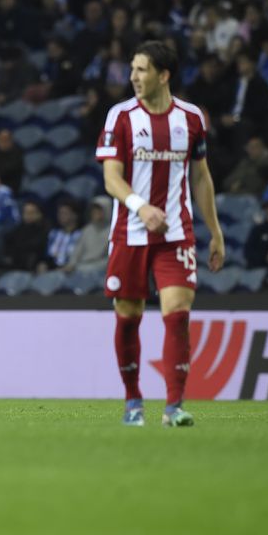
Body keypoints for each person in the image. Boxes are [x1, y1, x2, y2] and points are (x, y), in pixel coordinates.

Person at [96, 41, 224, 428]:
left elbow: (200, 176)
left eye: (141, 70)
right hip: (129, 232)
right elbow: (110, 178)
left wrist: (215, 232)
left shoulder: (191, 118)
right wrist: (141, 206)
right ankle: (133, 400)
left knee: (177, 314)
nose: (133, 77)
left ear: (163, 75)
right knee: (129, 316)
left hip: (176, 235)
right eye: (132, 69)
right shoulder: (120, 116)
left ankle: (174, 406)